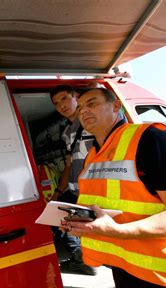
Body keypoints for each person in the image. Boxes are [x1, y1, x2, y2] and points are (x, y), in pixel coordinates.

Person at [63, 87, 166, 288]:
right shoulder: (94, 154)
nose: (84, 111)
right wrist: (82, 223)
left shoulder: (152, 140)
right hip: (125, 267)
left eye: (92, 103)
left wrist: (118, 231)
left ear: (116, 106)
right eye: (80, 108)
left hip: (163, 277)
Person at [49, 85, 96, 275]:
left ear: (75, 97)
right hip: (76, 189)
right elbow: (69, 165)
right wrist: (58, 193)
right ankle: (81, 257)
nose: (62, 105)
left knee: (93, 227)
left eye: (64, 99)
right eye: (56, 103)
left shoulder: (91, 122)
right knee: (56, 216)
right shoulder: (67, 133)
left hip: (95, 189)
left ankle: (90, 259)